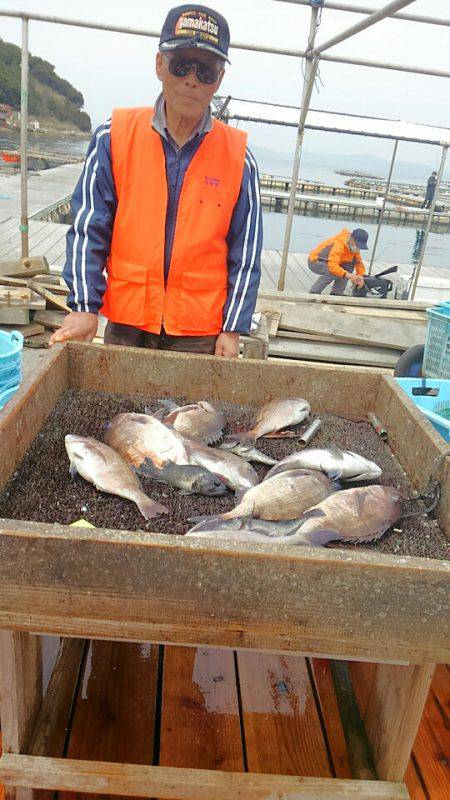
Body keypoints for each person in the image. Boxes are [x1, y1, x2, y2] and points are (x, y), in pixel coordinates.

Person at [49, 4, 262, 358]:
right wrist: (85, 305)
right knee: (123, 413)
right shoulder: (112, 137)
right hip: (128, 324)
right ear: (160, 65)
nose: (192, 79)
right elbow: (89, 226)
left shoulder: (240, 158)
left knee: (193, 414)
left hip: (200, 333)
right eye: (181, 65)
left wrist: (233, 327)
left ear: (219, 79)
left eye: (206, 70)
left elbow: (247, 251)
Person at [307, 228, 368, 295]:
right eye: (357, 245)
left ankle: (337, 293)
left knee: (350, 265)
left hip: (332, 263)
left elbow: (359, 263)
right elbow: (333, 267)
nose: (358, 248)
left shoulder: (354, 248)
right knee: (332, 272)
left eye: (360, 246)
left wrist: (360, 276)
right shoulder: (339, 245)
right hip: (315, 261)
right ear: (351, 239)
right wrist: (350, 276)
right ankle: (314, 292)